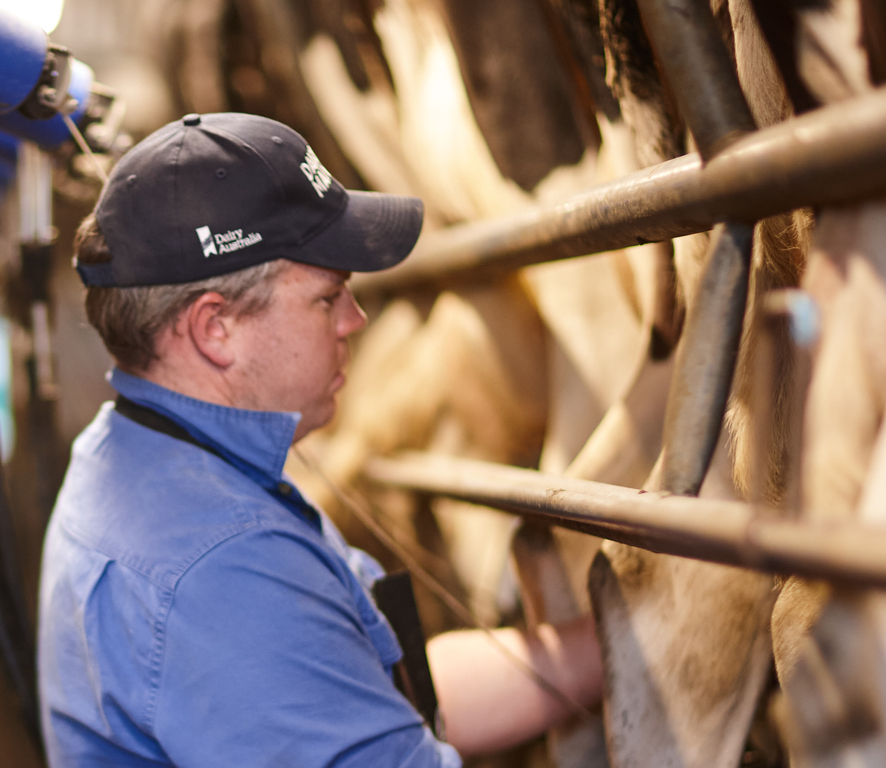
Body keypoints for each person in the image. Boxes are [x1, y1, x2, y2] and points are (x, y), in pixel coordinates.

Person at [37, 112, 604, 767]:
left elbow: (376, 694)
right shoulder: (221, 570)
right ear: (215, 328)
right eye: (327, 297)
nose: (354, 320)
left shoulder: (146, 457)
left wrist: (628, 634)